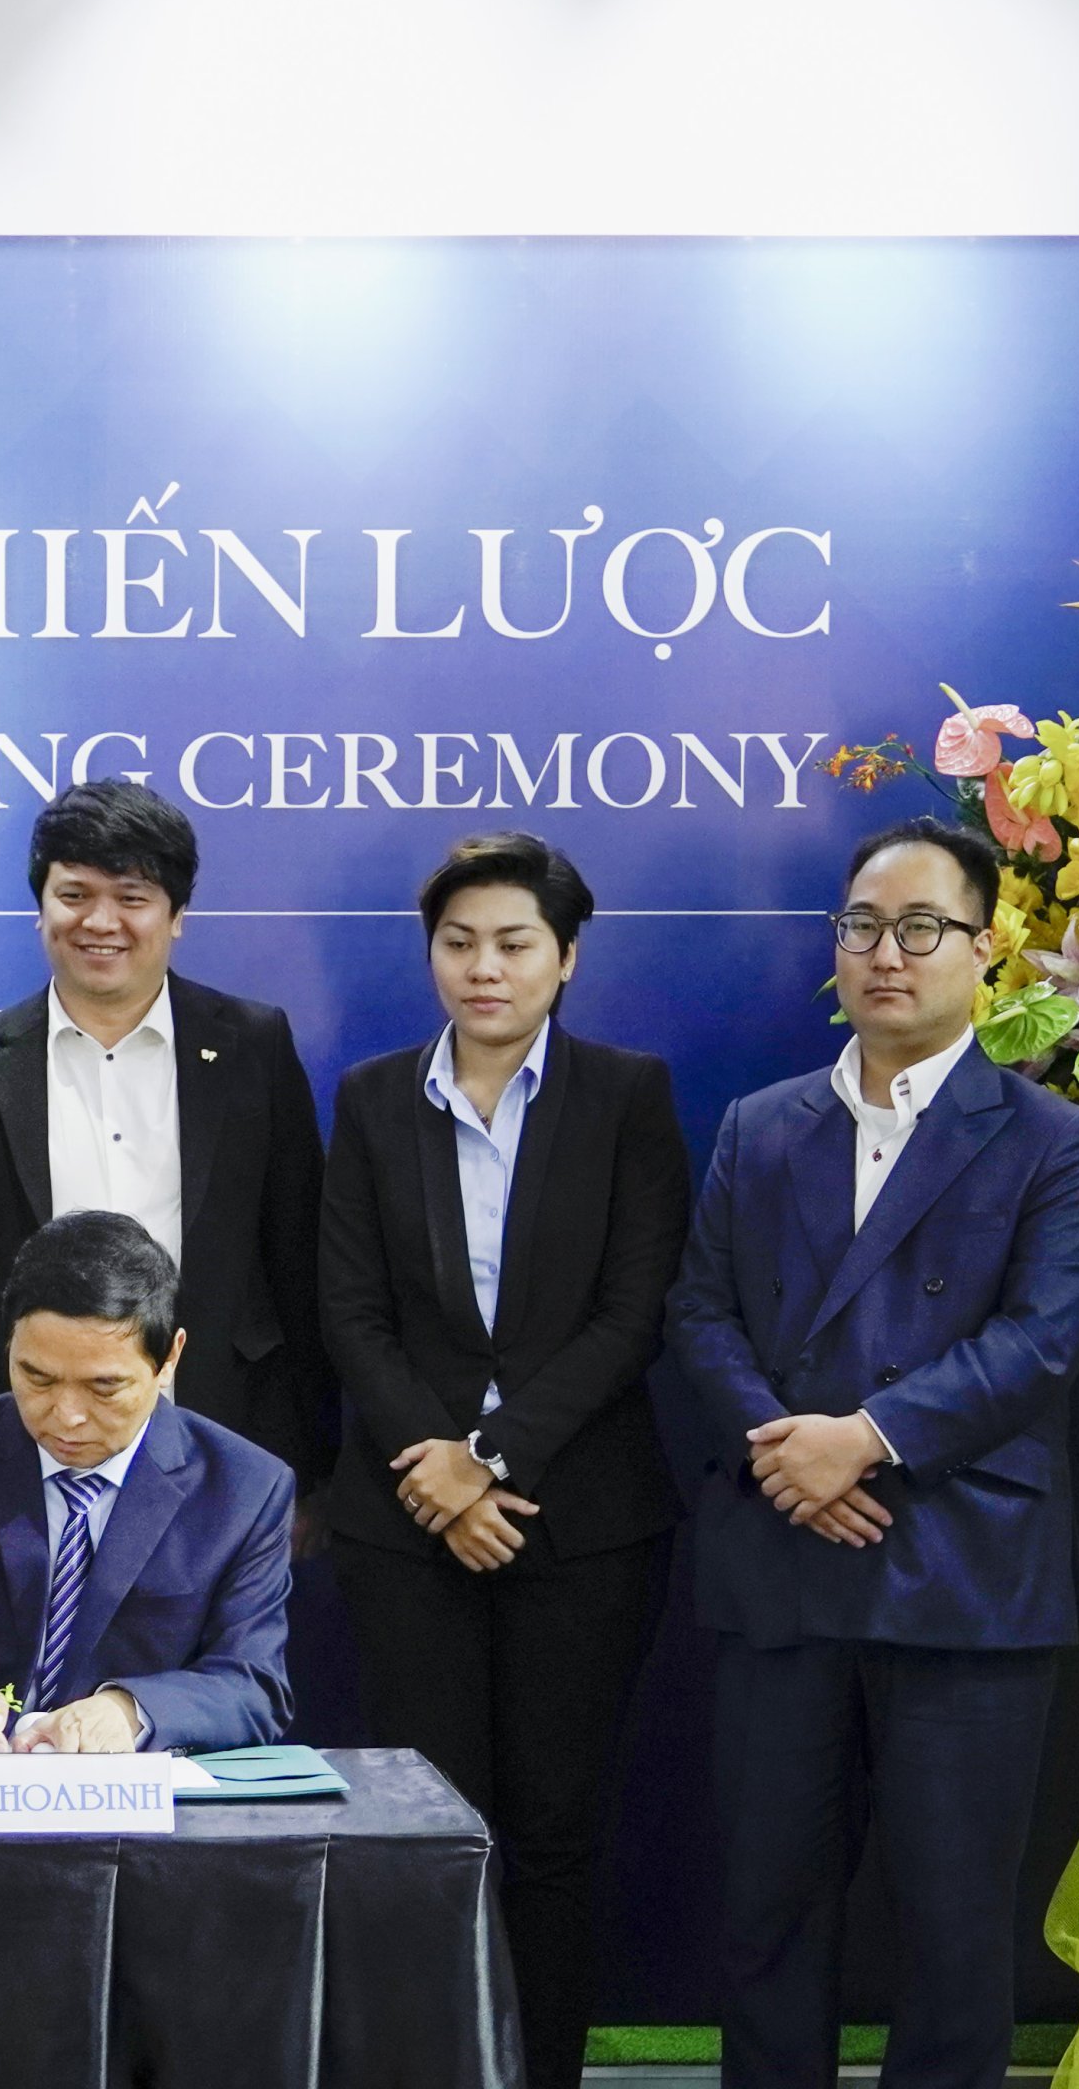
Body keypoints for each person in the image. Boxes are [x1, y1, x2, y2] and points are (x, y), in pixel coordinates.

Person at [661, 817, 1079, 2089]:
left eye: (920, 928)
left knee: (955, 1933)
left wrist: (863, 1440)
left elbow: (1040, 1341)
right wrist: (787, 1461)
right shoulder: (760, 1125)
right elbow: (699, 1310)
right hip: (781, 1563)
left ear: (986, 947)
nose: (885, 955)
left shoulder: (1050, 1138)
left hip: (961, 1571)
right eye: (861, 927)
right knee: (765, 1914)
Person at [319, 833, 688, 2089]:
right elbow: (349, 1310)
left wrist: (487, 1457)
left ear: (565, 957)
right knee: (428, 1834)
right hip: (403, 1524)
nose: (484, 968)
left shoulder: (626, 1096)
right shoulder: (373, 1099)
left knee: (554, 1835)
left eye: (514, 943)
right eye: (459, 942)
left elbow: (632, 1314)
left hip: (579, 1522)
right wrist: (435, 1474)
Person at [0, 779, 330, 1488]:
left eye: (132, 897)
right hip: (28, 1443)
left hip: (219, 1433)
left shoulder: (253, 1046)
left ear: (176, 916)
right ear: (40, 907)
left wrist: (309, 1472)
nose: (100, 921)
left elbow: (299, 1263)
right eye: (74, 894)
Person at [0, 1211, 294, 1753]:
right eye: (37, 1378)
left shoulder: (244, 1490)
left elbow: (252, 1683)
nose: (66, 1416)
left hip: (135, 1797)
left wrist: (129, 1711)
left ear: (169, 1359)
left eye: (103, 1388)